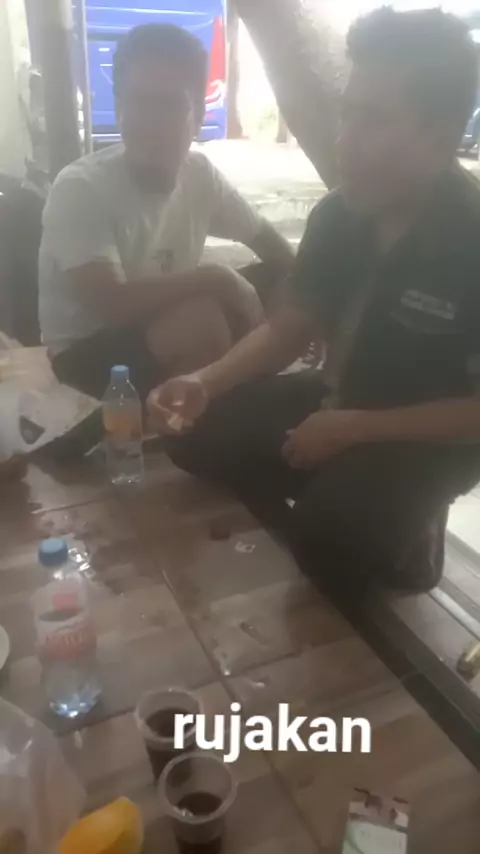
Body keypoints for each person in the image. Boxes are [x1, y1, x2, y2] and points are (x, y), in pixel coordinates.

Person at [149, 8, 480, 595]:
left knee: (330, 545)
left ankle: (404, 523)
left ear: (443, 135)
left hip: (427, 435)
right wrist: (205, 380)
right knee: (189, 432)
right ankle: (342, 485)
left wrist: (354, 429)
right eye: (348, 113)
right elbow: (288, 331)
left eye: (373, 121)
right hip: (337, 397)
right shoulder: (340, 215)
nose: (344, 142)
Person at [38, 24, 293, 401]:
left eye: (170, 104)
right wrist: (215, 278)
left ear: (199, 114)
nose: (151, 122)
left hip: (160, 323)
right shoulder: (81, 188)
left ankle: (229, 391)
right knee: (201, 320)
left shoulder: (199, 174)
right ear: (119, 108)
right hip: (87, 359)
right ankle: (204, 417)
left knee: (280, 283)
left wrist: (306, 309)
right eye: (138, 101)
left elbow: (269, 243)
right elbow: (112, 304)